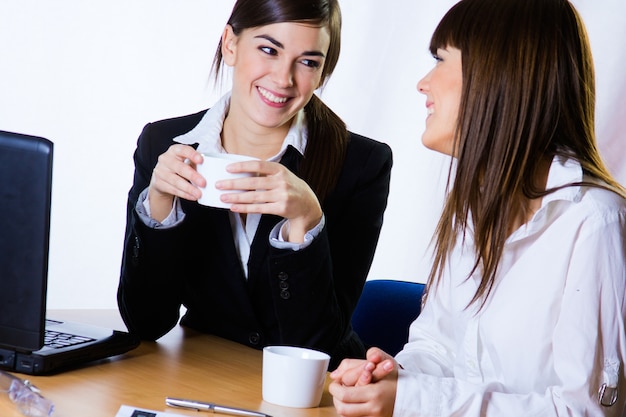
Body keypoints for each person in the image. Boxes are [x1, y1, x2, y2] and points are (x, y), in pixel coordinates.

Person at [329, 0, 626, 415]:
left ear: (496, 75)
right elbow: (437, 348)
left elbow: (588, 411)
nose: (423, 83)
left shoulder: (594, 221)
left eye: (440, 59)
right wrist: (395, 376)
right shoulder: (474, 209)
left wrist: (414, 400)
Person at [117, 0, 392, 369]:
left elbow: (318, 346)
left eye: (308, 61)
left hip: (315, 392)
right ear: (230, 44)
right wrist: (160, 205)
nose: (283, 78)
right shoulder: (163, 143)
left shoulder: (361, 164)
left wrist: (306, 222)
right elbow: (145, 323)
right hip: (204, 373)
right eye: (268, 49)